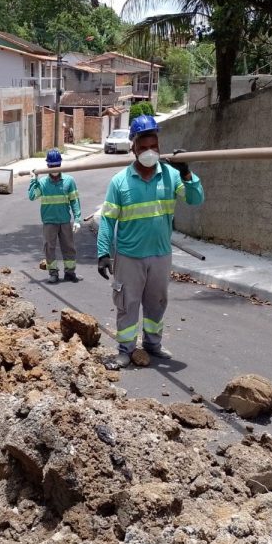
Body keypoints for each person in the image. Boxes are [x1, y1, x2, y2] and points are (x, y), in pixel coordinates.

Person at [96, 115, 204, 368]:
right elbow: (108, 220)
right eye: (143, 147)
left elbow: (195, 200)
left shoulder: (171, 176)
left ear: (159, 147)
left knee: (157, 303)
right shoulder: (120, 181)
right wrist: (103, 253)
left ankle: (152, 345)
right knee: (127, 304)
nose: (148, 151)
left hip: (160, 255)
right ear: (133, 147)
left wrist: (187, 173)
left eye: (153, 146)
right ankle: (125, 349)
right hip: (129, 256)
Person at [29, 149, 82, 284]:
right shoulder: (42, 183)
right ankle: (53, 273)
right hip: (49, 222)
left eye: (57, 166)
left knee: (69, 247)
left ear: (61, 165)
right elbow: (32, 197)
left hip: (64, 221)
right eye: (52, 166)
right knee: (49, 248)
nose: (54, 169)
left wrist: (77, 219)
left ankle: (70, 272)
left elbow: (74, 201)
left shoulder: (69, 181)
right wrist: (33, 181)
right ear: (47, 166)